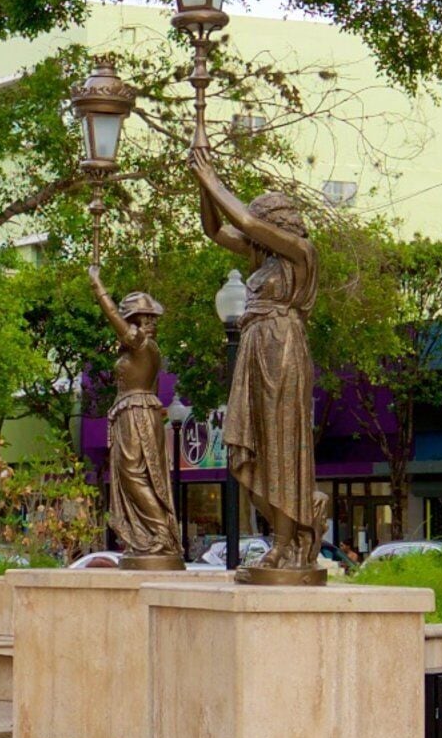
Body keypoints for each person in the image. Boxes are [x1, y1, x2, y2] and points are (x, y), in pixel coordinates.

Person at [193, 135, 323, 582]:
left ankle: (288, 542)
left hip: (282, 347)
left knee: (282, 444)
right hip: (255, 348)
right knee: (255, 444)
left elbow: (243, 219)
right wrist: (201, 183)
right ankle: (279, 538)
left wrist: (213, 178)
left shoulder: (300, 253)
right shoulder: (262, 258)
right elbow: (214, 230)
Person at [88, 271, 178, 570]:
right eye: (145, 317)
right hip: (135, 411)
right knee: (136, 475)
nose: (150, 322)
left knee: (134, 473)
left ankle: (159, 533)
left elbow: (114, 318)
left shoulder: (142, 344)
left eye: (149, 318)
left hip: (136, 413)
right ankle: (152, 533)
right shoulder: (142, 348)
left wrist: (98, 287)